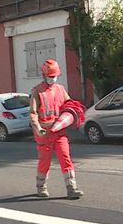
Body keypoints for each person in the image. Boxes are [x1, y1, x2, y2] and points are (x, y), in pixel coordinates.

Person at [29, 59, 84, 199]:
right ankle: (41, 187)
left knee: (66, 158)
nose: (53, 79)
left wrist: (73, 115)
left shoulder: (60, 89)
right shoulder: (37, 91)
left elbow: (69, 105)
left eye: (55, 76)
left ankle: (72, 188)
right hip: (44, 134)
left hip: (60, 133)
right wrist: (38, 128)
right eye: (50, 76)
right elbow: (33, 113)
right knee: (44, 161)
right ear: (44, 75)